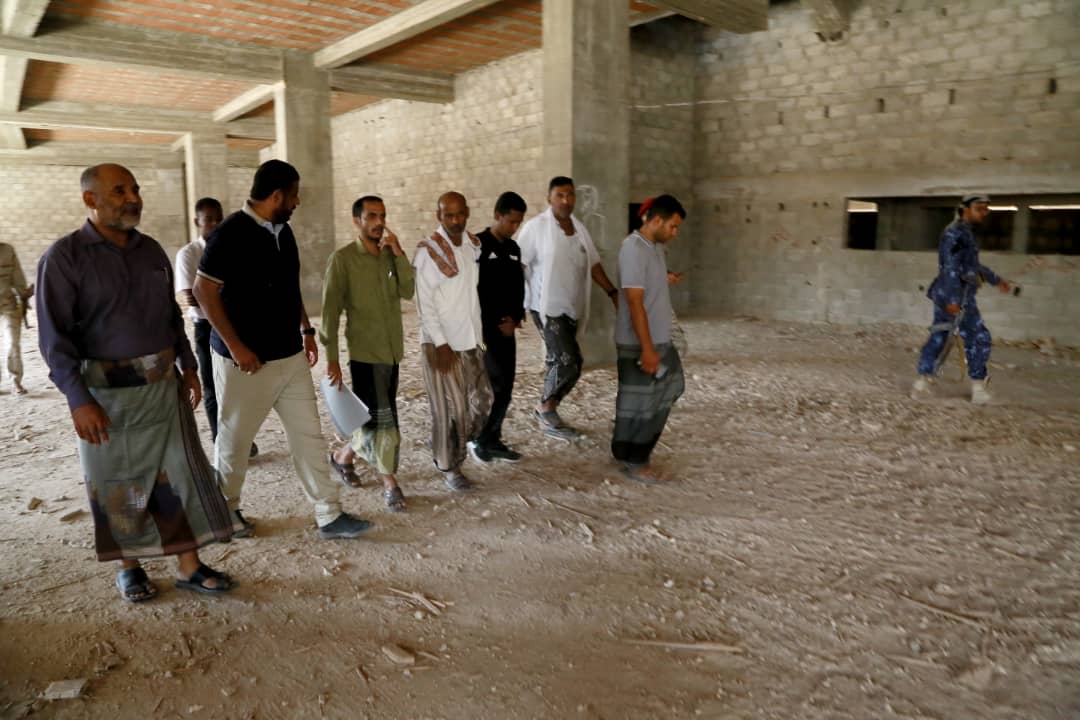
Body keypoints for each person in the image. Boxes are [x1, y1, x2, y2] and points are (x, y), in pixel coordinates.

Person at [36, 163, 238, 602]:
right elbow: (54, 339)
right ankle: (129, 568)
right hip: (105, 396)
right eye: (120, 191)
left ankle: (189, 565)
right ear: (90, 199)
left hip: (163, 387)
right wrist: (78, 399)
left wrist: (188, 365)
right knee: (119, 484)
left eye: (135, 189)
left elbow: (170, 316)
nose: (133, 198)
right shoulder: (65, 258)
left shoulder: (151, 251)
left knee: (178, 475)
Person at [192, 160, 371, 539]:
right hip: (245, 362)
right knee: (234, 439)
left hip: (289, 356)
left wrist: (306, 329)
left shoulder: (284, 232)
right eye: (293, 195)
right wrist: (236, 346)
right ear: (276, 196)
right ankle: (225, 511)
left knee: (309, 435)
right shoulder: (229, 234)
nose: (297, 202)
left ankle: (329, 513)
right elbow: (203, 291)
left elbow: (289, 287)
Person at [321, 196, 414, 512]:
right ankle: (390, 482)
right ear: (357, 220)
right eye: (372, 216)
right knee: (384, 421)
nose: (379, 222)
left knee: (372, 418)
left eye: (382, 216)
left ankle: (342, 457)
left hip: (392, 352)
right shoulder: (343, 259)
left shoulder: (389, 256)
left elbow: (408, 291)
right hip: (365, 354)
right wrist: (331, 358)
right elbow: (330, 312)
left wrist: (399, 254)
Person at [518, 176, 619, 439]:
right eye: (560, 195)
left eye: (570, 195)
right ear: (549, 198)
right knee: (569, 360)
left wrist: (612, 292)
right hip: (545, 306)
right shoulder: (536, 228)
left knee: (560, 359)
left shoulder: (579, 229)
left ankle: (546, 408)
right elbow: (519, 266)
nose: (566, 200)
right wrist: (513, 304)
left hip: (572, 306)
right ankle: (545, 407)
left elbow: (594, 264)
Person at [413, 191, 493, 491]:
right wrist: (441, 343)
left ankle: (447, 441)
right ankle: (449, 467)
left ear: (467, 213)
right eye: (449, 215)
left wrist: (480, 340)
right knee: (452, 410)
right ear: (439, 216)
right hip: (440, 345)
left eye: (460, 214)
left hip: (470, 339)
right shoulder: (428, 252)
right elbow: (424, 304)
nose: (456, 220)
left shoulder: (472, 246)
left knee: (483, 401)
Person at [612, 195, 687, 484]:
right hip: (641, 342)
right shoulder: (633, 249)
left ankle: (624, 451)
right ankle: (636, 459)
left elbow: (646, 282)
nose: (675, 233)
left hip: (658, 338)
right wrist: (647, 349)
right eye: (672, 226)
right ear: (656, 220)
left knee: (667, 388)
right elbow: (634, 302)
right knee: (644, 402)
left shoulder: (653, 247)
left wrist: (664, 278)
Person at [174, 197, 257, 457]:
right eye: (208, 219)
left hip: (234, 323)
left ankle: (241, 439)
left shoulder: (230, 249)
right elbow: (192, 297)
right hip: (205, 327)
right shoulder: (188, 254)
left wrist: (213, 292)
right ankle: (221, 440)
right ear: (197, 221)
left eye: (218, 219)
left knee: (238, 385)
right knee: (211, 385)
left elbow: (240, 289)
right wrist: (219, 292)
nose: (214, 224)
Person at [912, 194, 1011, 404]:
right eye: (979, 208)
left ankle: (921, 383)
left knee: (941, 335)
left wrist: (996, 280)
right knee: (978, 337)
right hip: (956, 295)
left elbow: (972, 265)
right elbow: (950, 267)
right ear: (965, 209)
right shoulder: (954, 233)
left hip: (952, 293)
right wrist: (953, 299)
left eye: (986, 209)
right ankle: (978, 389)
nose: (984, 213)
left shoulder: (965, 232)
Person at [468, 191, 527, 463]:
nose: (514, 227)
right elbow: (476, 291)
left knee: (506, 385)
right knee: (490, 385)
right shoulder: (477, 245)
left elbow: (517, 287)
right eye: (511, 221)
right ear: (497, 215)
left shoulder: (514, 249)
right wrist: (494, 323)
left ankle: (493, 438)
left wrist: (515, 318)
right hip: (484, 331)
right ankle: (478, 438)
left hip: (508, 329)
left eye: (518, 222)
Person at [0, 242, 32, 394]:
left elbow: (18, 277)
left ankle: (15, 381)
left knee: (13, 342)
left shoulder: (7, 250)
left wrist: (24, 296)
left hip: (8, 302)